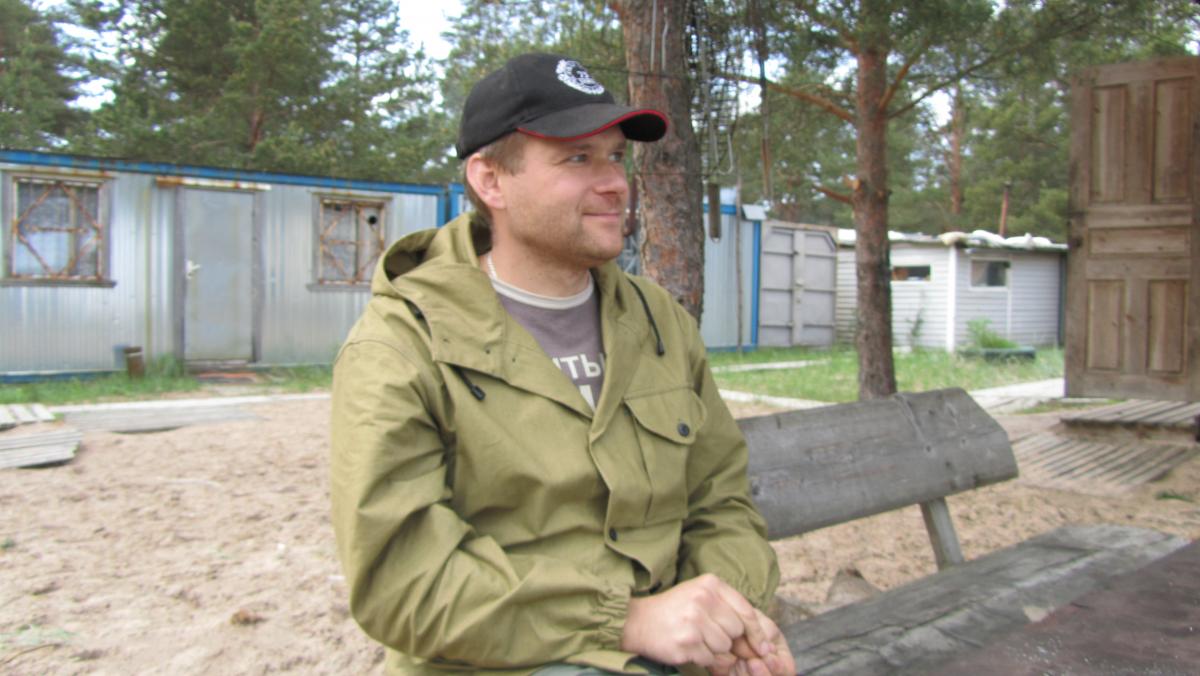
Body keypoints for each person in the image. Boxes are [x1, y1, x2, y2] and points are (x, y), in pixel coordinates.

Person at [330, 52, 795, 676]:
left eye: (616, 156)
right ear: (491, 181)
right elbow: (402, 579)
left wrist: (726, 616)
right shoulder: (402, 345)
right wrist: (625, 621)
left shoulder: (658, 323)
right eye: (577, 158)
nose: (615, 183)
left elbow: (721, 500)